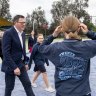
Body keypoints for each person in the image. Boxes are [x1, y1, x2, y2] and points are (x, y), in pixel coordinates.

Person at [38, 16, 96, 96]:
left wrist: (53, 35)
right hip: (83, 92)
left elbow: (41, 47)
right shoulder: (87, 46)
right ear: (79, 28)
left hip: (63, 93)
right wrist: (88, 33)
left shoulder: (55, 47)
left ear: (62, 29)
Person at [1, 15, 35, 96]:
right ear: (15, 22)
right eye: (22, 22)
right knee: (9, 87)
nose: (24, 24)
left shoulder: (22, 34)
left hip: (21, 64)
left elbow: (22, 50)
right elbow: (5, 53)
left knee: (27, 84)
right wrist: (14, 67)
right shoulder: (8, 33)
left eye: (25, 22)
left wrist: (26, 62)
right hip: (10, 66)